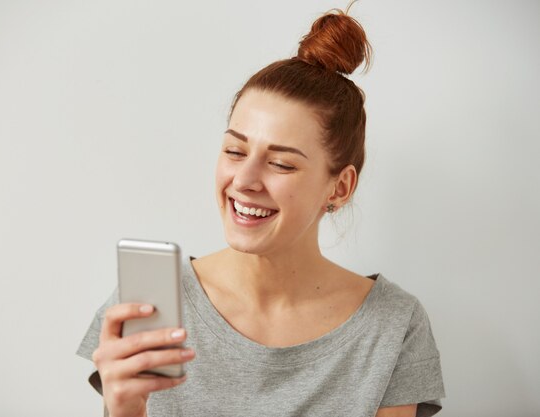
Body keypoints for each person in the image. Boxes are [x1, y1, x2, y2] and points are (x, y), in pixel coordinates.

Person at [77, 5, 445, 417]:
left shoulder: (393, 325)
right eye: (235, 151)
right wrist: (124, 408)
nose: (244, 179)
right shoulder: (149, 306)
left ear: (339, 187)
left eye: (281, 163)